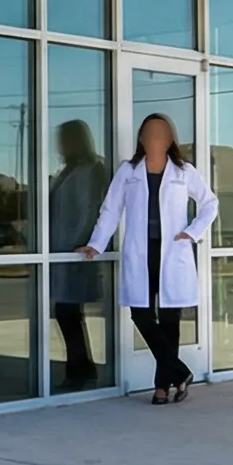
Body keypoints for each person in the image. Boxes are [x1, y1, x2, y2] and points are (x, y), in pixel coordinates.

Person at [77, 112, 215, 404]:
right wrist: (96, 244)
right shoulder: (128, 171)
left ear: (170, 140)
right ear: (141, 138)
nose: (155, 139)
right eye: (150, 134)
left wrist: (192, 233)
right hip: (141, 251)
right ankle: (180, 372)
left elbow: (209, 203)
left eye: (161, 134)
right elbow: (111, 209)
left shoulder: (184, 171)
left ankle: (162, 387)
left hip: (172, 251)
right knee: (140, 313)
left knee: (169, 319)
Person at [46, 118, 113, 390]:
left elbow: (90, 210)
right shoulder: (67, 172)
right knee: (66, 310)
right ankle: (81, 367)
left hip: (77, 251)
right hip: (60, 248)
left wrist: (80, 245)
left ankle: (80, 370)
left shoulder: (91, 171)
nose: (60, 145)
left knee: (67, 310)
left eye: (64, 139)